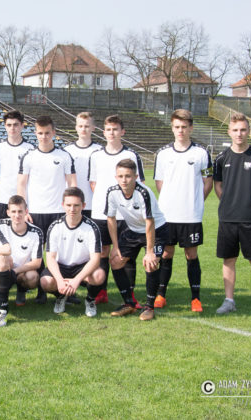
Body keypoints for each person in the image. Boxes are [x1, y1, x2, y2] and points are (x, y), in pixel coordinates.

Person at [213, 112, 251, 319]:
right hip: (227, 218)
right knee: (228, 259)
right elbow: (218, 186)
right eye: (235, 130)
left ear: (249, 131)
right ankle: (229, 301)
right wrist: (230, 204)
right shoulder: (221, 158)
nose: (239, 133)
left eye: (243, 130)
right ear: (229, 132)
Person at [153, 109, 212, 312]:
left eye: (184, 127)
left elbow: (208, 181)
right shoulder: (163, 154)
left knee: (191, 254)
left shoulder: (201, 153)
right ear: (172, 128)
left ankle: (195, 298)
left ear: (191, 128)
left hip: (191, 215)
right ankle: (161, 295)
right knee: (166, 253)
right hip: (167, 215)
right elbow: (159, 183)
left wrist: (195, 202)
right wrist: (171, 201)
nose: (181, 130)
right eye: (177, 127)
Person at [17, 115, 76, 304]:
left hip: (58, 212)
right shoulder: (29, 156)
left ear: (54, 133)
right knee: (36, 252)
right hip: (35, 212)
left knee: (60, 252)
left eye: (47, 133)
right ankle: (39, 289)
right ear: (35, 133)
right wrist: (25, 211)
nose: (44, 137)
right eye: (40, 133)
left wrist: (69, 208)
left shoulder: (64, 156)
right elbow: (21, 185)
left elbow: (72, 184)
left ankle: (64, 290)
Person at [88, 114, 145, 305]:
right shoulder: (96, 155)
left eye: (115, 129)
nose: (111, 133)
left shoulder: (131, 155)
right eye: (108, 130)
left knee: (125, 255)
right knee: (103, 252)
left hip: (126, 215)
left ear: (122, 132)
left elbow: (139, 183)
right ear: (103, 132)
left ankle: (130, 295)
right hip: (101, 213)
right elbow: (93, 183)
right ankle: (101, 292)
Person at [106, 159, 168, 321]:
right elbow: (111, 219)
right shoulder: (112, 192)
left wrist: (150, 252)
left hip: (156, 230)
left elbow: (150, 222)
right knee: (116, 261)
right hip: (133, 230)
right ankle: (129, 303)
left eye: (128, 176)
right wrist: (115, 247)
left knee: (150, 263)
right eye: (120, 176)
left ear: (136, 177)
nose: (124, 180)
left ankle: (149, 307)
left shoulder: (144, 193)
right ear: (116, 177)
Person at [40, 187, 105, 317]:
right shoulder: (55, 226)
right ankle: (61, 296)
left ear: (83, 206)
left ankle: (90, 300)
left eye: (76, 205)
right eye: (69, 205)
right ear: (63, 205)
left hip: (82, 266)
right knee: (46, 281)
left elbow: (95, 259)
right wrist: (59, 280)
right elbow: (50, 258)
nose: (72, 209)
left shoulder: (92, 228)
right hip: (62, 266)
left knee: (99, 275)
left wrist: (76, 280)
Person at [0, 195, 43, 326]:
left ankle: (21, 290)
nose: (17, 215)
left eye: (20, 211)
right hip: (4, 267)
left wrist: (14, 272)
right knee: (1, 258)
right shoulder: (0, 225)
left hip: (22, 270)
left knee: (33, 277)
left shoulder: (36, 232)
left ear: (26, 211)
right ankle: (1, 304)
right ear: (8, 212)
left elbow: (37, 262)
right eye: (13, 211)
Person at [0, 110, 35, 223]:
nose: (12, 128)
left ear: (22, 126)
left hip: (21, 200)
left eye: (16, 124)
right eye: (9, 125)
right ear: (5, 126)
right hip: (1, 198)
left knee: (21, 231)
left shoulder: (30, 148)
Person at [64, 112, 103, 218]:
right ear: (76, 127)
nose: (83, 129)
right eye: (80, 126)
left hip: (94, 203)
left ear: (93, 128)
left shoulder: (100, 151)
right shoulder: (67, 151)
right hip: (72, 205)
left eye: (87, 126)